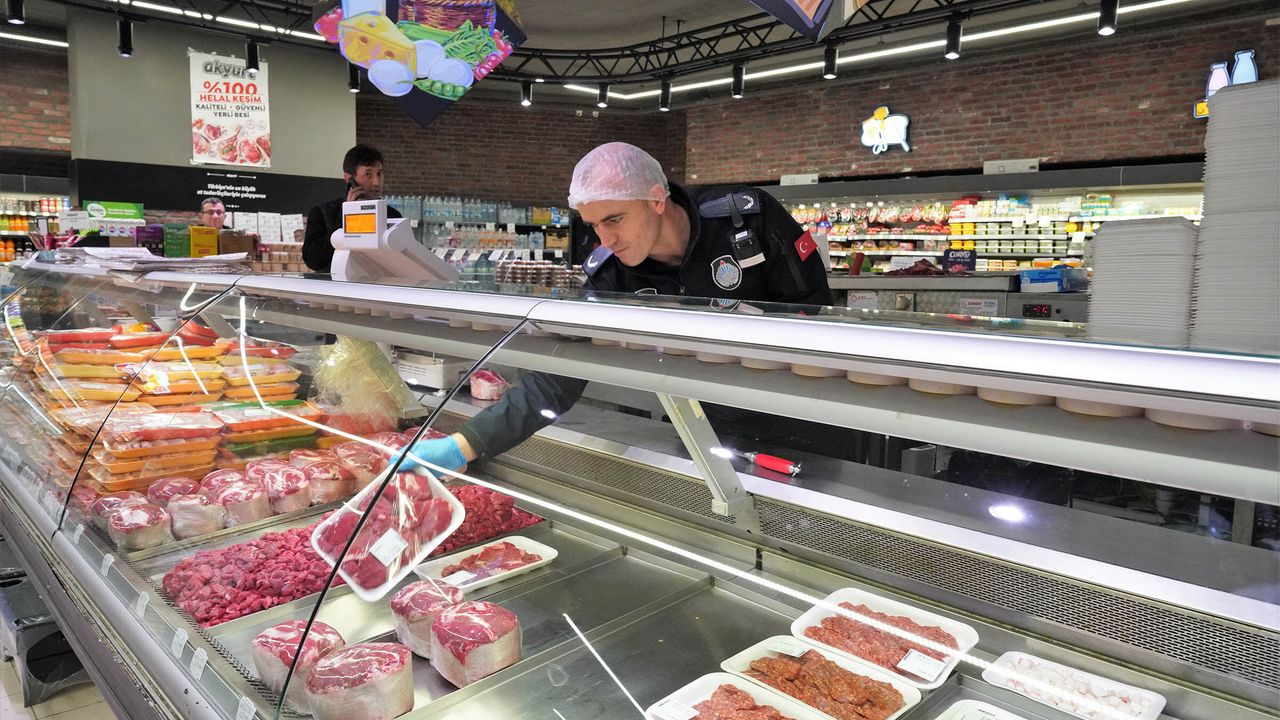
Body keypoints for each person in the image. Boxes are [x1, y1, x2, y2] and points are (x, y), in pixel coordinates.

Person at [407, 142, 833, 474]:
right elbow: (558, 376)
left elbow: (818, 317)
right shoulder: (612, 275)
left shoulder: (747, 219)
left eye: (613, 219)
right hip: (705, 429)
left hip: (806, 421)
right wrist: (464, 445)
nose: (604, 239)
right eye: (593, 224)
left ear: (656, 199)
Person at [303, 144, 402, 272]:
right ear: (349, 179)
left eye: (379, 174)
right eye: (368, 174)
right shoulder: (322, 213)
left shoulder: (392, 216)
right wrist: (348, 216)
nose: (376, 182)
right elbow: (313, 261)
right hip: (335, 283)